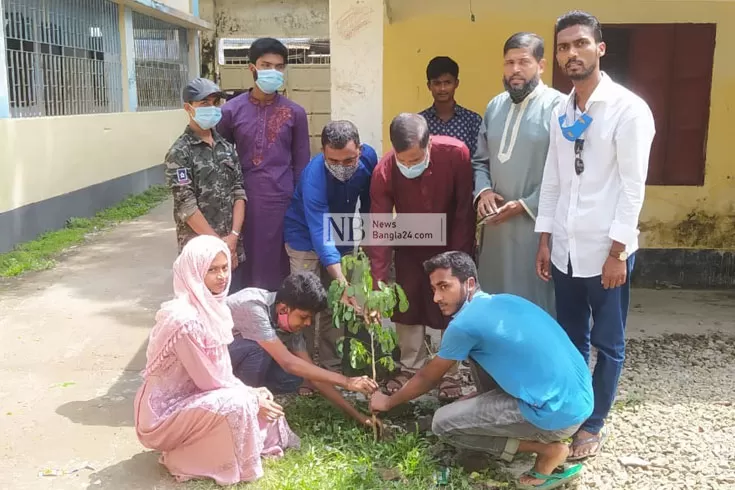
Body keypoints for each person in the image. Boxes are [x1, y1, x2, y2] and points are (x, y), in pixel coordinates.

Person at [535, 10, 655, 461]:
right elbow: (553, 179)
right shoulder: (561, 111)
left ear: (600, 49)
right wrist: (545, 238)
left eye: (580, 44)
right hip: (565, 250)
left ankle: (595, 421)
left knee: (608, 342)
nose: (572, 53)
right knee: (570, 338)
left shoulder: (628, 110)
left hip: (607, 253)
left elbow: (632, 187)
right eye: (564, 47)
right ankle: (571, 408)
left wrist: (618, 252)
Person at [370, 251, 593, 490]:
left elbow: (428, 377)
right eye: (434, 289)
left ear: (470, 283)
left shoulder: (464, 325)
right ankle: (532, 433)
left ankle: (547, 451)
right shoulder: (506, 300)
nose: (436, 297)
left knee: (442, 424)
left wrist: (388, 402)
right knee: (480, 354)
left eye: (444, 287)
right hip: (581, 403)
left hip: (555, 415)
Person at [134, 235, 299, 486]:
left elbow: (222, 374)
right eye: (211, 270)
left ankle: (221, 448)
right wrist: (251, 397)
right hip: (163, 415)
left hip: (193, 400)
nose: (221, 276)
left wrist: (255, 394)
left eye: (224, 268)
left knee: (257, 397)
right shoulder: (183, 319)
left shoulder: (213, 308)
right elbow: (208, 380)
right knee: (241, 402)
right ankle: (182, 457)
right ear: (194, 270)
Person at [367, 113, 475, 401]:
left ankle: (449, 372)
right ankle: (409, 368)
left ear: (429, 145)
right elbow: (379, 228)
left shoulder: (456, 153)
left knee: (450, 301)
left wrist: (457, 259)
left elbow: (465, 208)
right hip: (410, 243)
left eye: (417, 160)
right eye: (405, 161)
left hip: (452, 237)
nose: (410, 166)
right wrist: (377, 283)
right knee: (407, 301)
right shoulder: (384, 171)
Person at [473, 33, 564, 315]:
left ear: (542, 65)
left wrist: (525, 205)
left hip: (537, 229)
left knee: (535, 304)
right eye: (509, 62)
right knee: (494, 301)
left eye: (524, 62)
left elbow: (567, 171)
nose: (515, 70)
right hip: (496, 228)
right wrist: (484, 191)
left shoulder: (560, 107)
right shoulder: (494, 106)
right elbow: (479, 161)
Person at [226, 271, 381, 429]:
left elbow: (312, 374)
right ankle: (242, 407)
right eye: (303, 317)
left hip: (236, 361)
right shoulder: (253, 306)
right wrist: (347, 381)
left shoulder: (290, 325)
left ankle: (248, 393)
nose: (307, 323)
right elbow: (288, 363)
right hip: (211, 365)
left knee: (296, 377)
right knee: (258, 349)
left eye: (310, 318)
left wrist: (359, 416)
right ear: (283, 309)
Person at [218, 37, 311, 291]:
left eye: (279, 67)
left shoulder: (295, 113)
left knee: (278, 270)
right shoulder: (231, 111)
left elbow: (302, 165)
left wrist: (299, 208)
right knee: (243, 269)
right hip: (243, 204)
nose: (273, 71)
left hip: (282, 204)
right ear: (252, 68)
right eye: (266, 65)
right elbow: (218, 158)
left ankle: (276, 324)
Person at [283, 120, 379, 369]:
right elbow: (319, 231)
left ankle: (330, 365)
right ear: (323, 152)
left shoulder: (369, 159)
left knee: (335, 303)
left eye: (348, 161)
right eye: (333, 161)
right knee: (304, 302)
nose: (341, 168)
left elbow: (370, 203)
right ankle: (303, 370)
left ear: (359, 149)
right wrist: (342, 279)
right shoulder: (314, 176)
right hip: (305, 237)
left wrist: (368, 240)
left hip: (343, 232)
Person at [165, 78, 247, 293]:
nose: (211, 108)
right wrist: (219, 245)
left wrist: (233, 238)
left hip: (231, 249)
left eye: (214, 102)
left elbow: (238, 192)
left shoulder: (227, 148)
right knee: (200, 315)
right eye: (204, 104)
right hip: (199, 253)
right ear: (188, 108)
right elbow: (187, 206)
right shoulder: (180, 153)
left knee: (230, 313)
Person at [419, 56, 482, 157]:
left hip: (464, 173)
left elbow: (479, 161)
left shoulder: (473, 121)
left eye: (447, 83)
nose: (442, 88)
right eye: (437, 83)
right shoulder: (419, 123)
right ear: (429, 85)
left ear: (456, 83)